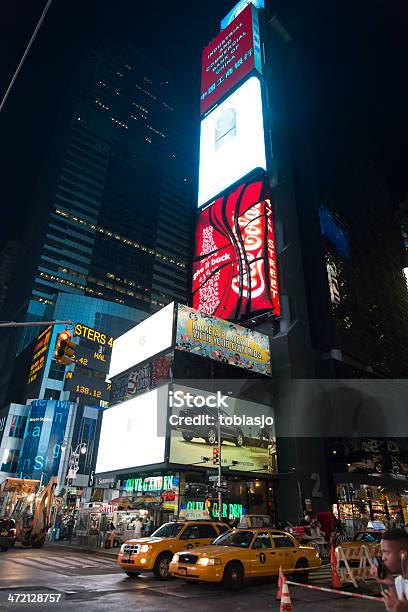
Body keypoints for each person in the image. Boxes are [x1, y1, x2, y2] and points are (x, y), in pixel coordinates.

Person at [371, 528, 408, 611]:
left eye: (386, 552)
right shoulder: (398, 582)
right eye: (382, 552)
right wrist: (391, 584)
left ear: (403, 555)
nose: (383, 558)